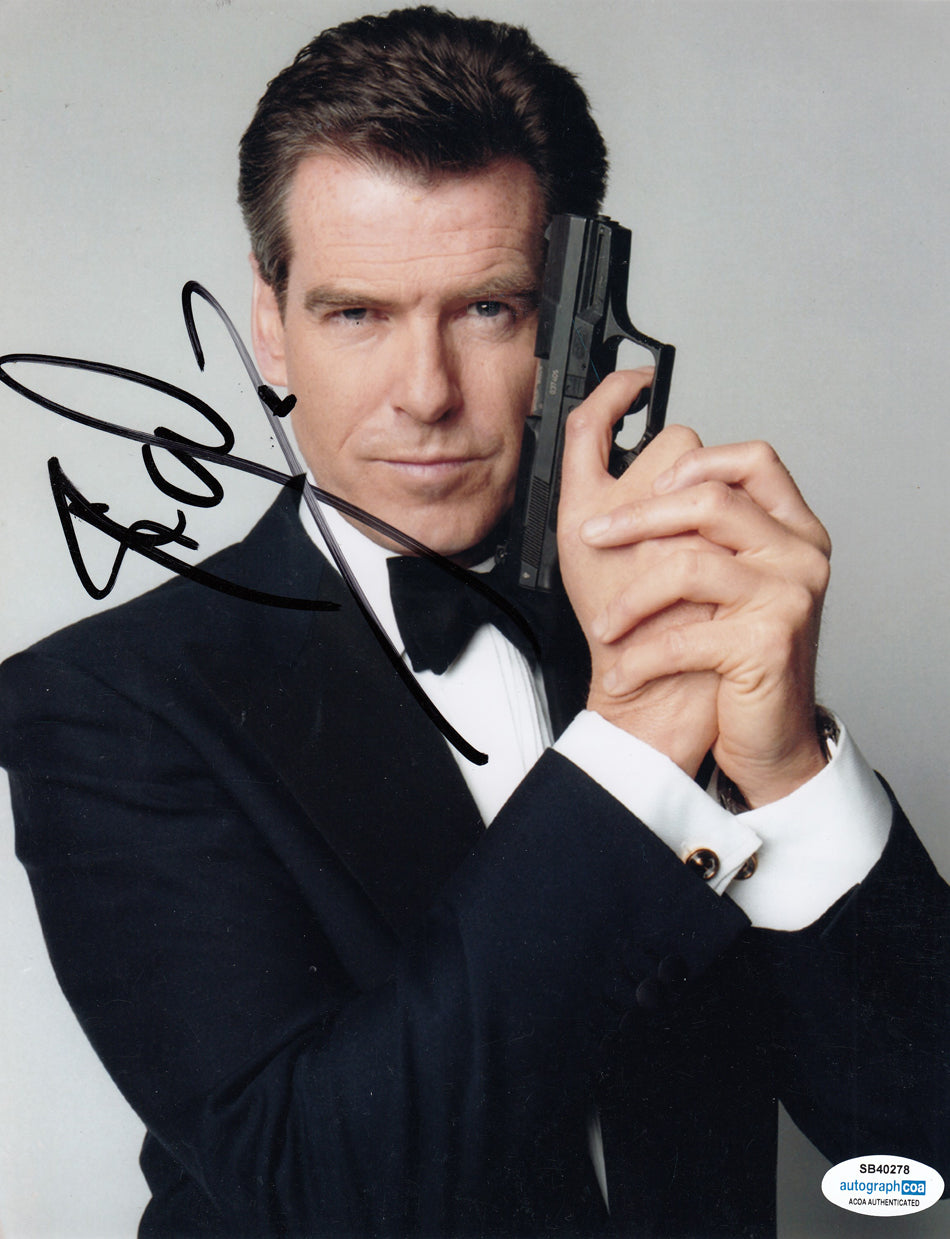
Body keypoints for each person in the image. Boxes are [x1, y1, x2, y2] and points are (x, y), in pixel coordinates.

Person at [0, 6, 947, 1236]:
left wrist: (789, 773)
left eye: (487, 309)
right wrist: (632, 747)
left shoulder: (691, 628)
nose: (425, 395)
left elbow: (912, 1144)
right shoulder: (101, 705)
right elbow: (316, 1194)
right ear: (270, 324)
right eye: (356, 314)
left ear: (571, 324)